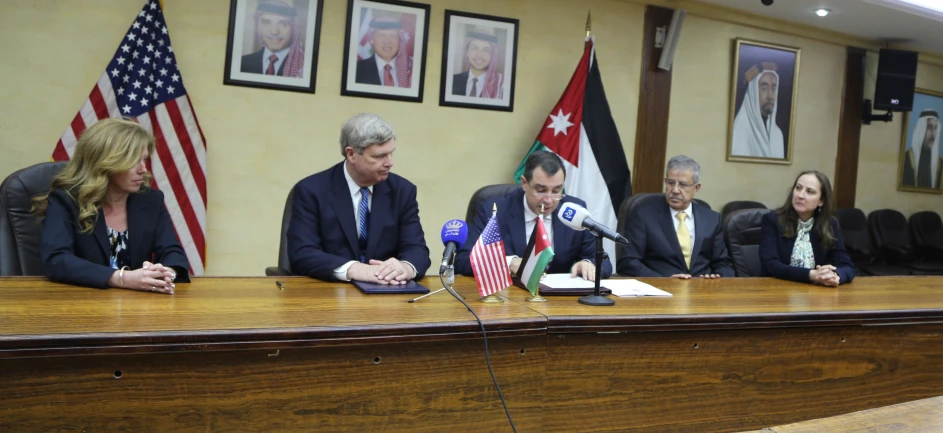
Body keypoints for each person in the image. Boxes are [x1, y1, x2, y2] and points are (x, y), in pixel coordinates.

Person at [35, 118, 188, 292]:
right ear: (105, 163)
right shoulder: (66, 200)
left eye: (144, 159)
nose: (143, 169)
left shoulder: (150, 199)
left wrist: (166, 273)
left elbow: (172, 252)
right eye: (134, 161)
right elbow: (57, 260)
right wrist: (122, 278)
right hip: (81, 304)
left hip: (136, 307)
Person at [287, 113, 430, 283]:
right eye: (379, 156)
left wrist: (405, 267)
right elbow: (302, 253)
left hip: (387, 294)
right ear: (351, 154)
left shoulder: (402, 191)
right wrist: (355, 269)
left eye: (391, 153)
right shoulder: (311, 191)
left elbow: (417, 249)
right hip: (329, 293)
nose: (389, 163)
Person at [455, 151, 612, 280]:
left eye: (557, 191)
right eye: (541, 190)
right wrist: (508, 263)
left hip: (559, 303)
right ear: (524, 183)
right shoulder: (493, 211)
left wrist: (588, 263)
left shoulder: (574, 212)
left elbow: (603, 263)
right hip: (508, 300)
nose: (549, 199)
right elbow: (463, 261)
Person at [618, 155, 734, 278]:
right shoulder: (643, 214)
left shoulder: (712, 219)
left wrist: (717, 278)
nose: (675, 190)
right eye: (671, 183)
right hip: (661, 290)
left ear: (696, 188)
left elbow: (724, 263)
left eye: (683, 185)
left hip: (702, 291)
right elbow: (627, 262)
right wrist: (664, 281)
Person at [759, 170, 855, 286]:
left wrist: (835, 276)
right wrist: (812, 275)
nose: (800, 195)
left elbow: (847, 266)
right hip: (777, 290)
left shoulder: (829, 224)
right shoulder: (772, 220)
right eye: (798, 188)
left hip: (816, 294)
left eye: (810, 192)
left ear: (821, 201)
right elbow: (771, 265)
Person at [731, 63, 785, 159]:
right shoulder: (739, 130)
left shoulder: (777, 134)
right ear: (753, 92)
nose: (770, 96)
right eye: (764, 88)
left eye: (773, 89)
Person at [240, 0, 305, 78]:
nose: (274, 32)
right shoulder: (242, 63)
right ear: (258, 26)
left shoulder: (304, 66)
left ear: (294, 29)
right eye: (266, 23)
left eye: (283, 24)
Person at [355, 16, 412, 87]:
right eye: (381, 35)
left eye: (393, 35)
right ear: (371, 39)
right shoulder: (356, 69)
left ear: (400, 40)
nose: (387, 41)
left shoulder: (412, 69)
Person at [451, 27, 503, 99]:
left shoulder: (500, 86)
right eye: (474, 48)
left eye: (486, 50)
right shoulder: (452, 81)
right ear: (467, 52)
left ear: (492, 55)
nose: (479, 55)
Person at [901, 109, 942, 189]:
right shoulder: (906, 159)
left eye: (935, 128)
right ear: (921, 130)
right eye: (929, 128)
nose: (933, 133)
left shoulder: (940, 164)